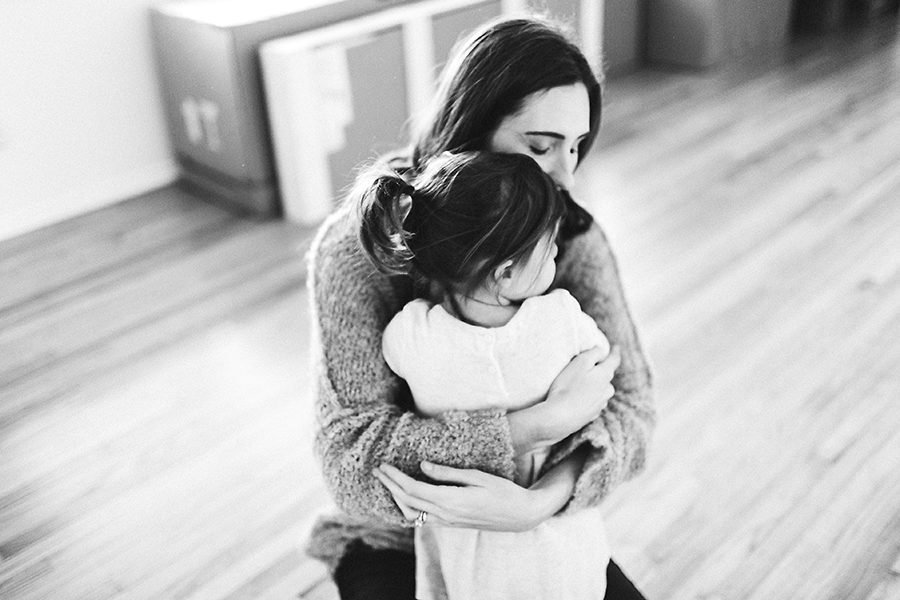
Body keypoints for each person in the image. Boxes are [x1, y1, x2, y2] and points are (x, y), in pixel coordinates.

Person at [305, 15, 655, 600]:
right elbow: (352, 463)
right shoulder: (357, 251)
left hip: (539, 526)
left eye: (576, 146)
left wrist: (535, 504)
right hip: (401, 534)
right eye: (540, 146)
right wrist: (532, 428)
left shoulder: (570, 236)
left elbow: (635, 410)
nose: (566, 175)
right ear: (470, 128)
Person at [356, 149, 614, 599]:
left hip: (462, 544)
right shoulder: (560, 318)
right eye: (550, 247)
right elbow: (600, 358)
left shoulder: (411, 334)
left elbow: (393, 360)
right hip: (553, 547)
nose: (558, 253)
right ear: (507, 272)